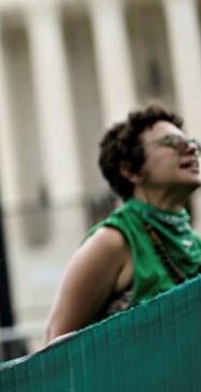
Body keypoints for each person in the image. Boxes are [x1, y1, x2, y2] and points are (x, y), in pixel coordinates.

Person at [46, 104, 201, 342]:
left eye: (192, 143)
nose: (191, 149)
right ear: (131, 170)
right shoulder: (112, 242)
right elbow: (55, 347)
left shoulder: (193, 243)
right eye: (172, 142)